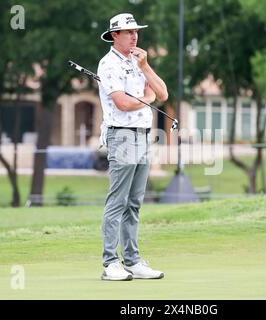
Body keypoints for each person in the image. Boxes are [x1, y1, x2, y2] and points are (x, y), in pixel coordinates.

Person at [97, 13, 168, 281]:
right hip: (122, 135)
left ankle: (133, 261)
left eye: (136, 31)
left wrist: (146, 67)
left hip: (143, 135)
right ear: (115, 35)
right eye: (128, 32)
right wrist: (146, 97)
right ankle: (110, 263)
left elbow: (162, 94)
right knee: (118, 201)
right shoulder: (108, 64)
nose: (134, 35)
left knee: (134, 203)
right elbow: (122, 103)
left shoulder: (138, 61)